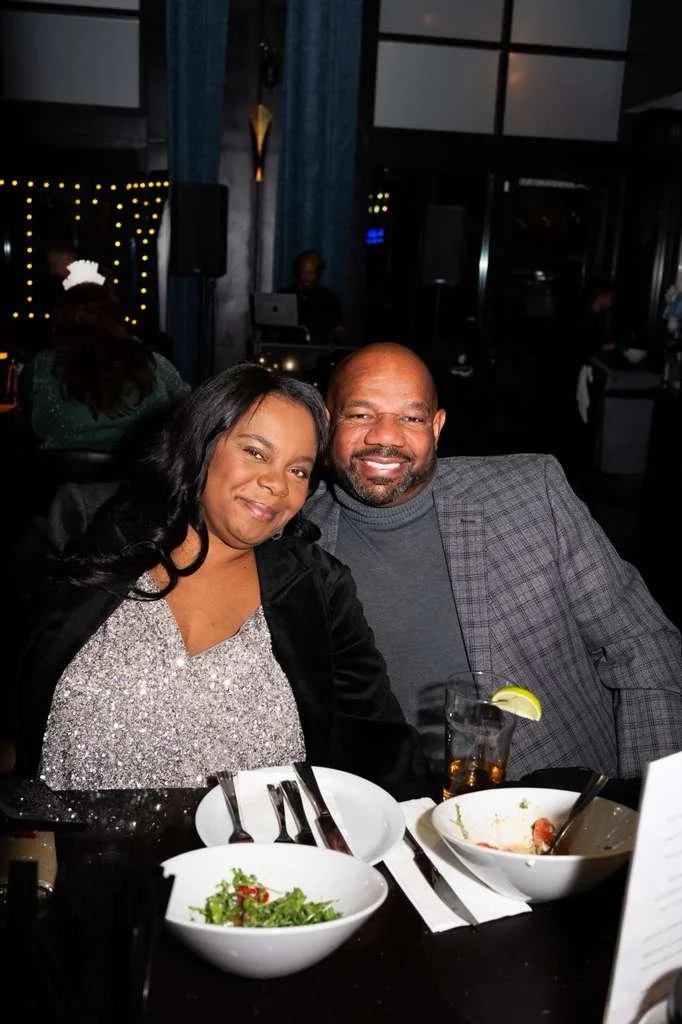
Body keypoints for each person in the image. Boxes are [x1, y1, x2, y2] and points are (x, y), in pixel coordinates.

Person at [0, 363, 423, 789]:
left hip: (259, 852)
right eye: (256, 452)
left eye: (298, 470)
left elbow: (380, 746)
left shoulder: (321, 588)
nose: (276, 484)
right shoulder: (81, 527)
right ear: (202, 444)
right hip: (69, 847)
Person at [305, 342, 682, 780]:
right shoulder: (295, 537)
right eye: (361, 414)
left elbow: (641, 643)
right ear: (328, 423)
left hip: (558, 799)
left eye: (411, 417)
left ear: (438, 426)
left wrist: (653, 802)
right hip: (390, 814)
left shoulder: (531, 494)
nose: (386, 436)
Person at [28, 259, 189, 450]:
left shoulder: (45, 365)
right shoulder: (152, 362)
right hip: (137, 474)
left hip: (61, 475)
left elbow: (40, 425)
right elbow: (186, 409)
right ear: (115, 317)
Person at [284, 250, 346, 345]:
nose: (306, 277)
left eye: (310, 273)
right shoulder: (285, 295)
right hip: (287, 349)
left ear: (318, 274)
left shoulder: (330, 299)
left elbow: (339, 329)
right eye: (303, 272)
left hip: (319, 353)